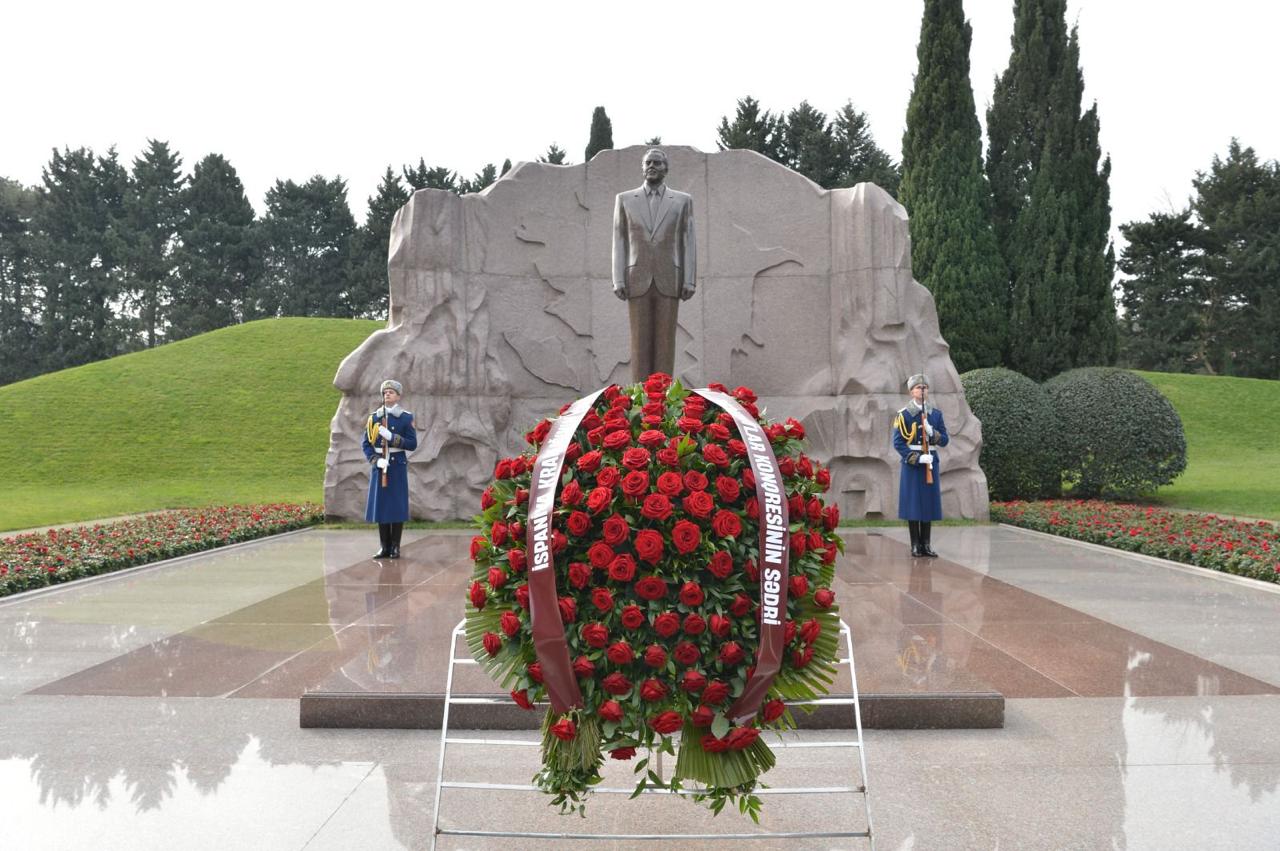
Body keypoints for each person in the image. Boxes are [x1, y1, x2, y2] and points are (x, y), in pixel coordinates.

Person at [612, 148, 697, 382]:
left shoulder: (682, 201)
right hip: (636, 278)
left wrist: (689, 280)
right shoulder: (624, 199)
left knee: (665, 342)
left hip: (669, 278)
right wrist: (618, 279)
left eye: (657, 163)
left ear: (665, 169)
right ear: (642, 167)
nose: (652, 166)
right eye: (648, 162)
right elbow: (619, 240)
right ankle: (639, 395)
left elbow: (688, 241)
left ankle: (663, 396)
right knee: (639, 342)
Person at [893, 373, 949, 557]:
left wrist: (933, 433)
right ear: (911, 392)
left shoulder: (936, 414)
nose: (922, 390)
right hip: (913, 465)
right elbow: (898, 443)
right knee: (913, 504)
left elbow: (945, 440)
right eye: (918, 387)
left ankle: (926, 544)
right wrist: (917, 458)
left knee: (928, 503)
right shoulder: (903, 415)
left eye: (925, 387)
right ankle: (915, 544)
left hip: (931, 462)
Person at [362, 379, 417, 559]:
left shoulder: (406, 417)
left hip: (397, 467)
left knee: (397, 506)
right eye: (385, 392)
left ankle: (395, 547)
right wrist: (375, 460)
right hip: (380, 466)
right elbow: (366, 444)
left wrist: (392, 437)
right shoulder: (374, 418)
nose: (387, 394)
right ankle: (384, 547)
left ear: (398, 396)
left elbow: (412, 444)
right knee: (382, 506)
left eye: (391, 392)